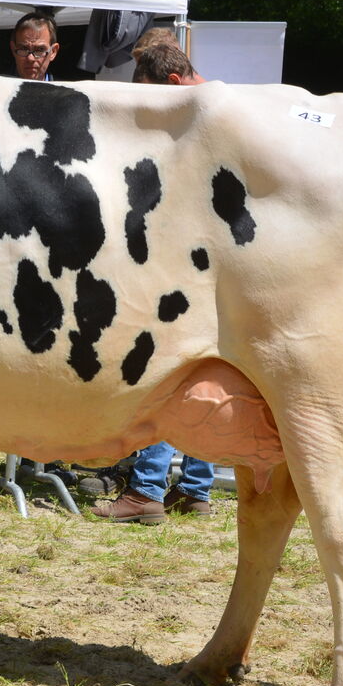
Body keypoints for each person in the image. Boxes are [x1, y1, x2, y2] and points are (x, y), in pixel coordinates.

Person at [96, 39, 215, 523]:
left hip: (182, 262)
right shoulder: (230, 105)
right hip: (213, 265)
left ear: (172, 84)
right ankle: (197, 489)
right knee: (205, 374)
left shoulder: (200, 115)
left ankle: (146, 490)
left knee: (169, 373)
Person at [9, 12, 59, 81]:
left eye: (39, 49)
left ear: (53, 52)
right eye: (23, 49)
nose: (30, 58)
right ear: (13, 49)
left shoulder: (68, 91)